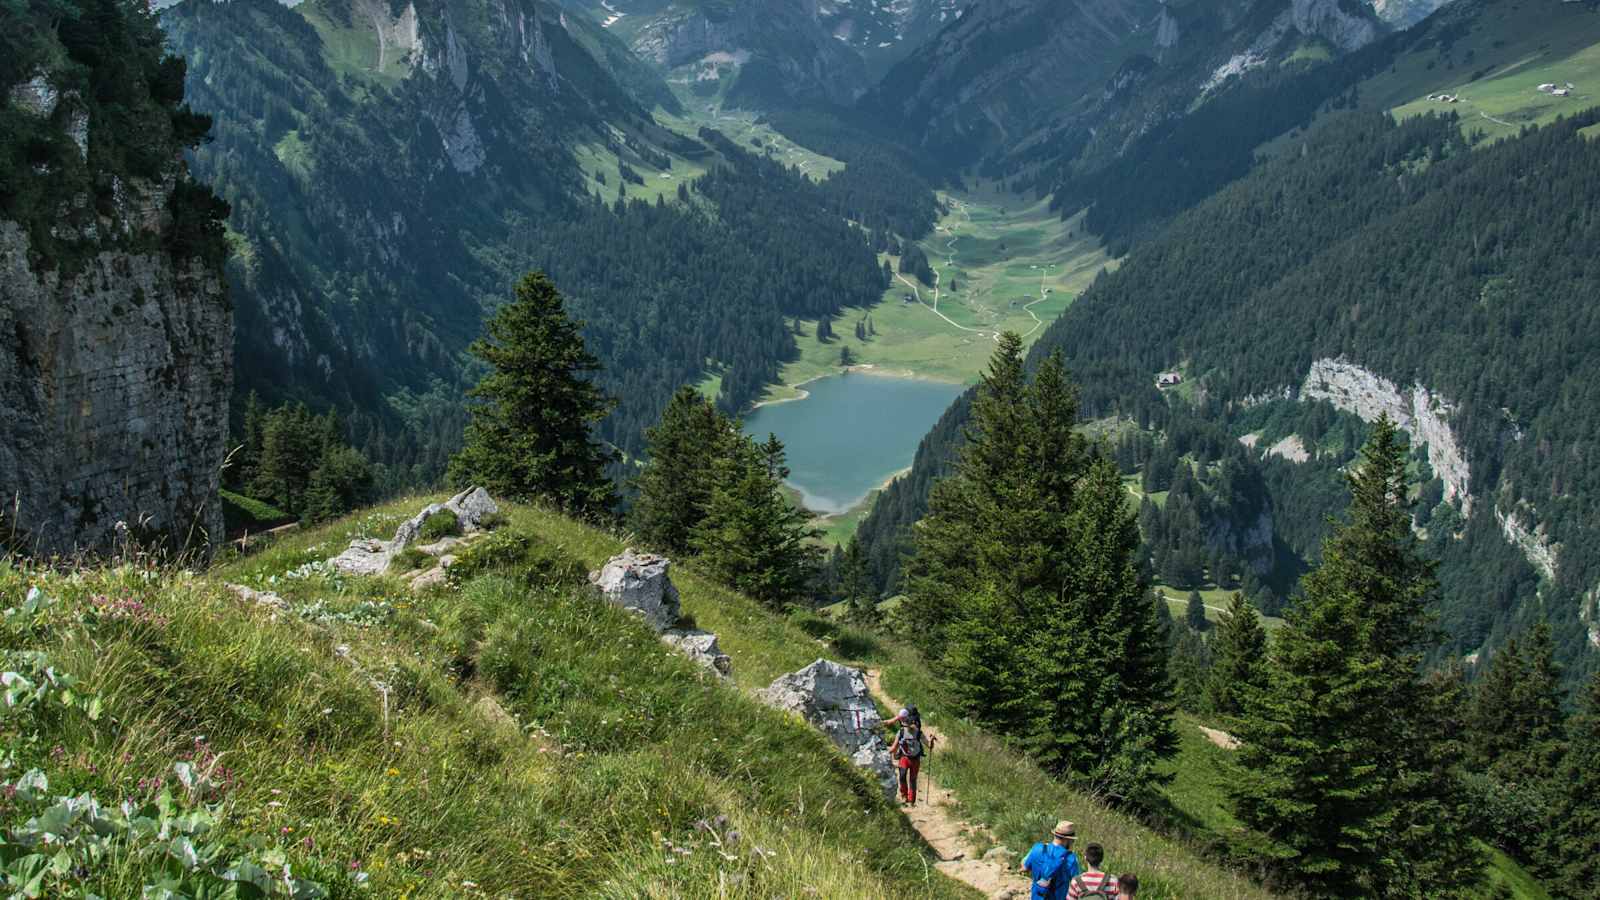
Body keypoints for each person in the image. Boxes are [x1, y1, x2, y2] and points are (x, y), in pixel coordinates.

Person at [1020, 820, 1079, 900]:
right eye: (1072, 840)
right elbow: (1077, 884)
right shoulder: (1071, 858)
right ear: (1067, 840)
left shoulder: (1037, 848)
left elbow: (1025, 868)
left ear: (1055, 835)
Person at [889, 712, 927, 804]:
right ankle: (904, 796)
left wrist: (931, 741)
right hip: (904, 757)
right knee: (902, 776)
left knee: (912, 779)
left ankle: (911, 800)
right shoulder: (901, 732)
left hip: (915, 758)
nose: (909, 727)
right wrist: (889, 753)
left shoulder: (918, 733)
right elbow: (894, 746)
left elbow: (928, 744)